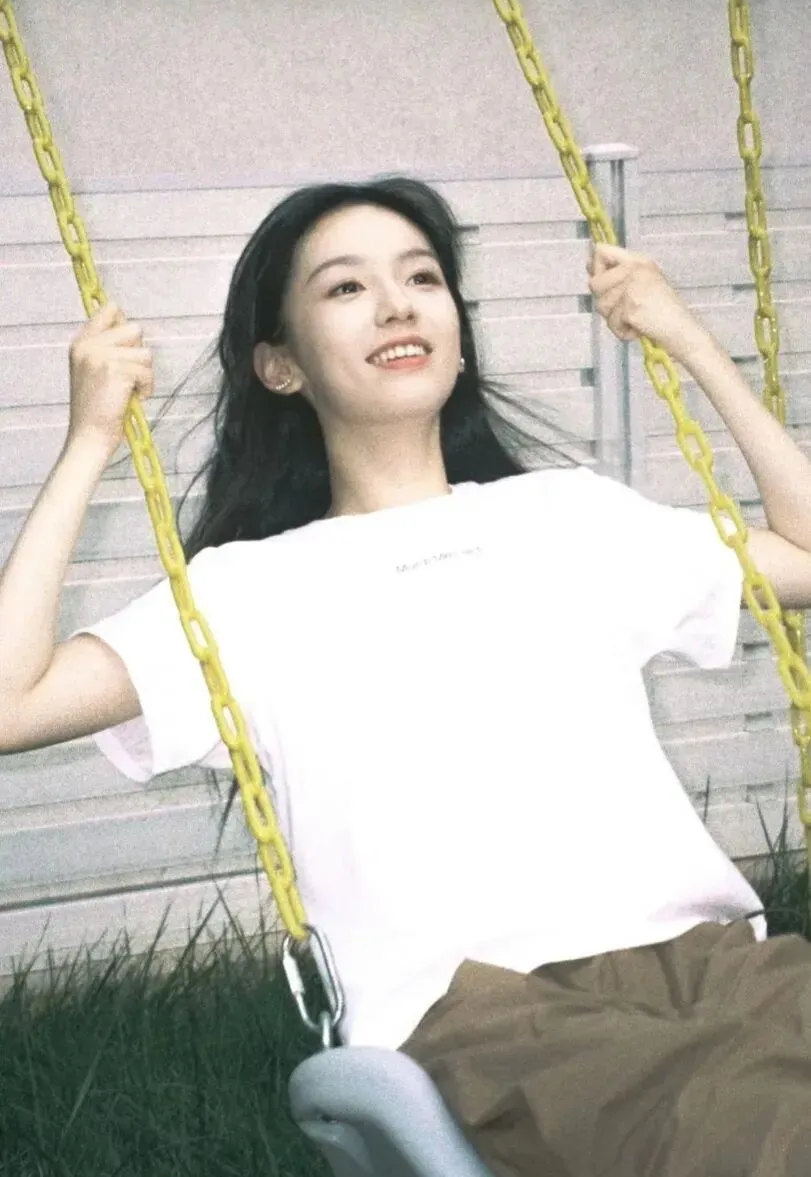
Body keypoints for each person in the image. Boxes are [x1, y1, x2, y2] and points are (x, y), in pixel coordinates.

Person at [1, 174, 811, 1177]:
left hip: (719, 966)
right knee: (766, 1130)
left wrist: (687, 342)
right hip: (492, 1014)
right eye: (346, 287)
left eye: (422, 278)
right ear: (280, 365)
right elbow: (12, 703)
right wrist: (89, 439)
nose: (396, 304)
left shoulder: (571, 517)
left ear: (458, 335)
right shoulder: (245, 592)